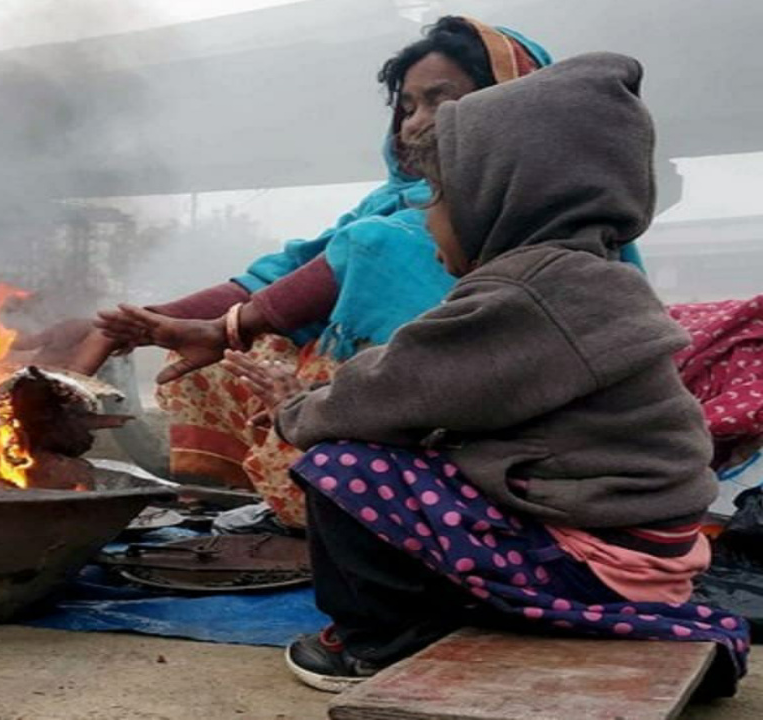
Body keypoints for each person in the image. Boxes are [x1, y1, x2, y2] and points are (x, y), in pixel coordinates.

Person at [245, 52, 745, 695]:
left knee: (344, 464)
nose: (426, 220)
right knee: (409, 455)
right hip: (639, 546)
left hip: (596, 557)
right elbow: (423, 368)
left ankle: (381, 641)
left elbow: (397, 390)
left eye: (441, 199)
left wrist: (297, 411)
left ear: (503, 198)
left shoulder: (530, 292)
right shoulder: (587, 278)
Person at [59, 17, 570, 527]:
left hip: (490, 426)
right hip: (396, 403)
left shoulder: (546, 210)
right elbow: (288, 274)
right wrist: (139, 324)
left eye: (441, 100)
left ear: (510, 105)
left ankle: (363, 510)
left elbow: (362, 252)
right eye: (407, 107)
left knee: (299, 325)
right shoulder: (388, 202)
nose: (415, 122)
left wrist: (229, 331)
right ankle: (310, 503)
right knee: (227, 360)